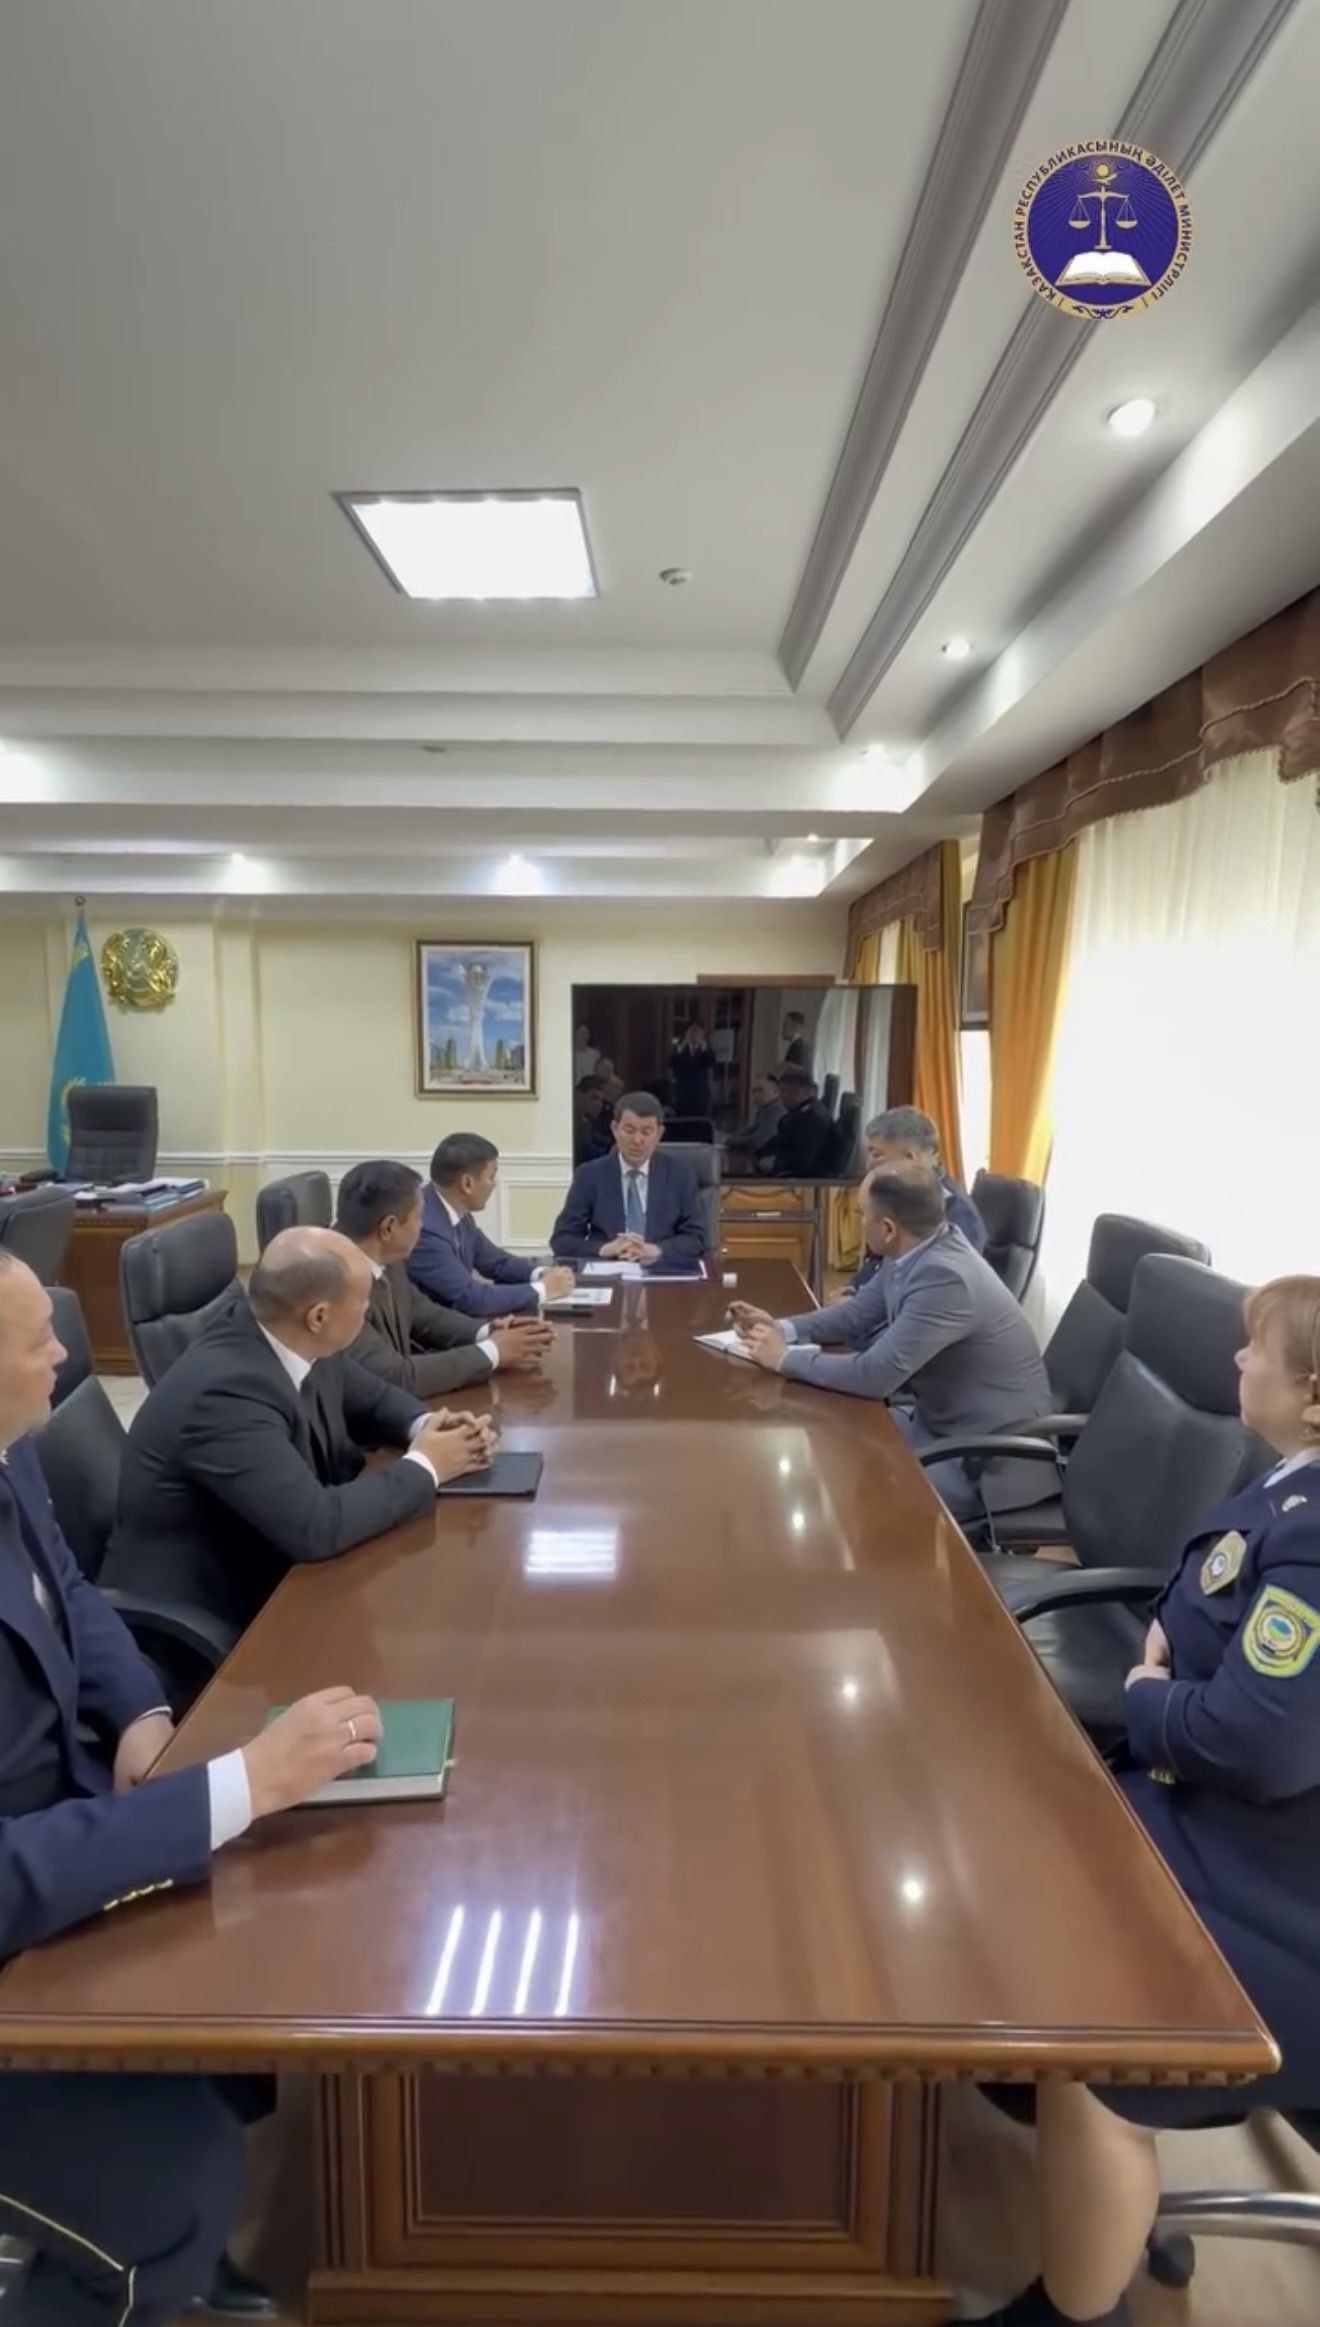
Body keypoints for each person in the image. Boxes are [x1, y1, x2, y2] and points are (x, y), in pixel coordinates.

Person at [0, 1248, 389, 2327]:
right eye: (37, 1341)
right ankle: (152, 2260)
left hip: (67, 1827)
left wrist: (140, 1711)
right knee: (160, 2209)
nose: (66, 1356)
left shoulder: (9, 1448)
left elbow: (72, 1592)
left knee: (277, 1961)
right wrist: (238, 1783)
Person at [962, 1275, 1320, 2327]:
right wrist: (1174, 1666)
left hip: (1281, 1892)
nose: (1238, 1361)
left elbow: (1255, 1740)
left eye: (1258, 1349)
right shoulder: (1290, 1486)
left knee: (1099, 2027)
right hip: (1228, 1830)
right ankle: (1034, 2079)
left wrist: (1148, 1694)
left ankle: (1076, 2308)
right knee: (1015, 1856)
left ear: (1315, 1394)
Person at [104, 1228, 494, 1638]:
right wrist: (428, 1464)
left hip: (275, 1560)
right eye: (363, 1301)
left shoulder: (290, 1335)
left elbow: (373, 1398)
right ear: (319, 1316)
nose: (367, 1311)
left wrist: (427, 1425)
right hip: (213, 1614)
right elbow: (316, 1526)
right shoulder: (225, 1395)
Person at [729, 1163, 1052, 1523]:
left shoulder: (946, 1279)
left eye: (861, 1214)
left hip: (986, 1461)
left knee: (858, 1491)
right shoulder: (916, 1249)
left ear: (887, 1229)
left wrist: (783, 1358)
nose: (858, 1222)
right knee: (830, 1435)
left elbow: (875, 1375)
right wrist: (782, 1327)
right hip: (938, 1424)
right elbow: (856, 1315)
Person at [335, 1158, 553, 1396]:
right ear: (388, 1228)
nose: (422, 1225)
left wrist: (487, 1331)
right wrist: (493, 1352)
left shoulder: (386, 1255)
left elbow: (422, 1313)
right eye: (419, 1216)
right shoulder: (333, 1284)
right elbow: (396, 1376)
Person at [408, 1135, 575, 1320]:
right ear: (467, 1183)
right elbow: (470, 1297)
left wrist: (541, 1273)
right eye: (491, 1176)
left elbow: (496, 1262)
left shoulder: (455, 1212)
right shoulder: (425, 1229)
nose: (494, 1185)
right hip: (436, 1332)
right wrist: (543, 1289)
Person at [832, 1106, 986, 1300]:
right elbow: (882, 1262)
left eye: (877, 1154)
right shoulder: (905, 1196)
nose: (868, 1164)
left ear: (910, 1158)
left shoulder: (957, 1213)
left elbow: (939, 1292)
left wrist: (859, 1303)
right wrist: (853, 1289)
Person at [550, 1091, 706, 1266]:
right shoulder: (589, 1175)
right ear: (615, 1129)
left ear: (659, 1134)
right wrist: (605, 1249)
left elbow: (696, 1238)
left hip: (661, 1271)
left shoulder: (681, 1175)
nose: (637, 1140)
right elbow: (562, 1239)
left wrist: (655, 1250)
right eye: (629, 1131)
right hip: (608, 1271)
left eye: (646, 1132)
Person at [765, 1063, 834, 1178]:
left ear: (802, 1090)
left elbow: (800, 1164)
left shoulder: (810, 1120)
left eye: (785, 1091)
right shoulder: (808, 1111)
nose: (781, 1097)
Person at [726, 1072, 784, 1170]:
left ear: (775, 1091)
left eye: (760, 1090)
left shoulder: (777, 1111)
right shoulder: (765, 1110)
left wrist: (730, 1140)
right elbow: (750, 1130)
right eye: (754, 1091)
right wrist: (731, 1137)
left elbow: (759, 1141)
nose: (755, 1095)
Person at [669, 1020, 717, 1119]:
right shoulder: (680, 1049)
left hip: (700, 1095)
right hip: (683, 1095)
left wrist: (704, 1049)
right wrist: (679, 1052)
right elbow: (671, 1063)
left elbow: (711, 1061)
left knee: (700, 1122)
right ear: (686, 1035)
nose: (694, 1036)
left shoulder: (706, 1049)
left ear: (702, 1035)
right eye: (691, 1032)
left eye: (697, 1032)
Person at [572, 1076, 612, 1166]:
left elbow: (599, 1139)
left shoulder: (588, 1121)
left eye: (601, 1101)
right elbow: (587, 1149)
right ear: (578, 1095)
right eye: (594, 1098)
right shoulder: (572, 1122)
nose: (599, 1105)